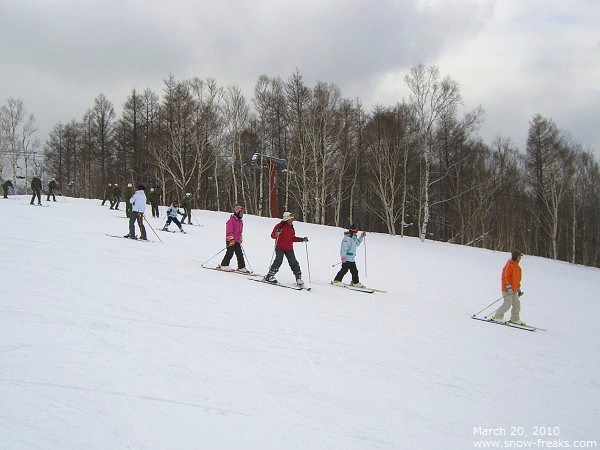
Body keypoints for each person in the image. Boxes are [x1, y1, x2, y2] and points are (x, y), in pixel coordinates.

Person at [264, 211, 308, 286]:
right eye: (291, 218)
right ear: (287, 219)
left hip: (289, 248)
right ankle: (269, 276)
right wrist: (276, 233)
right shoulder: (279, 226)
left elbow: (292, 238)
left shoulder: (291, 227)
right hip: (279, 247)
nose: (292, 219)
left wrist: (301, 239)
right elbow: (273, 236)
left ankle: (298, 278)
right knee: (278, 261)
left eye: (292, 218)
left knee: (293, 262)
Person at [492, 251, 526, 325]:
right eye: (519, 257)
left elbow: (517, 280)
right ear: (515, 257)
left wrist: (518, 289)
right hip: (507, 289)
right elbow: (506, 277)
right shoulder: (509, 265)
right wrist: (509, 288)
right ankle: (497, 317)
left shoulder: (517, 267)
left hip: (513, 290)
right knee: (508, 303)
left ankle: (515, 319)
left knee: (517, 304)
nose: (520, 258)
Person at [218, 205, 249, 272]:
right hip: (230, 240)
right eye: (241, 213)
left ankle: (241, 267)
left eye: (243, 213)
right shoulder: (231, 221)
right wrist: (231, 240)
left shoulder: (240, 221)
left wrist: (240, 238)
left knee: (240, 254)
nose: (242, 214)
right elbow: (229, 231)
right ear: (237, 212)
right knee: (230, 252)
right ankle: (224, 265)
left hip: (237, 241)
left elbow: (240, 232)